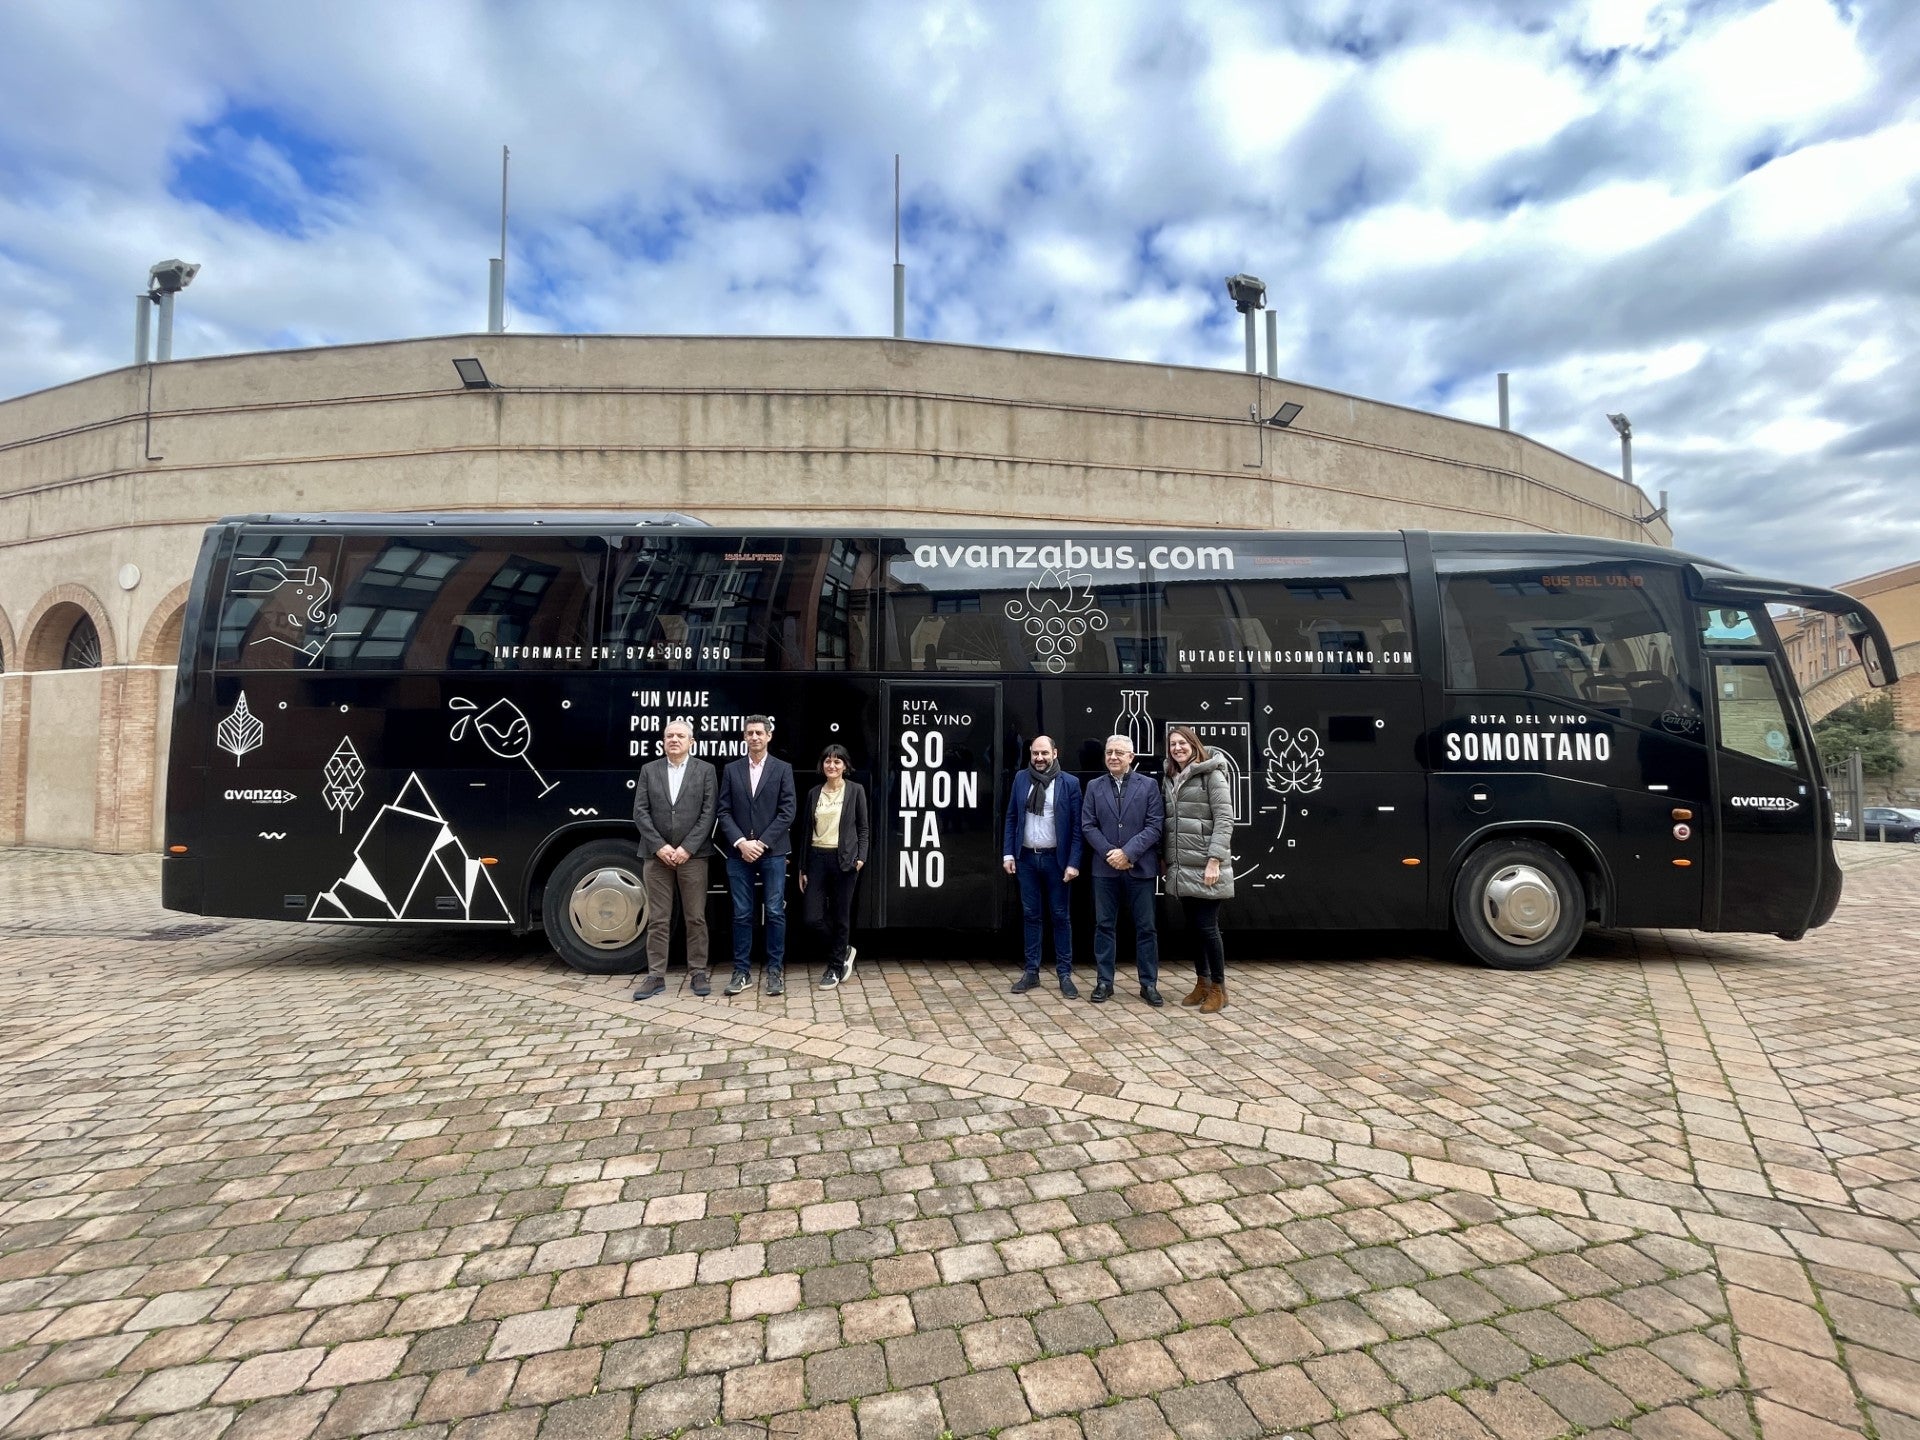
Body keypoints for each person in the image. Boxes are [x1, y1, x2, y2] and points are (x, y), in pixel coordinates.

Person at [630, 719, 719, 1000]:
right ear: (663, 741)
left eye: (681, 735)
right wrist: (660, 847)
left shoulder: (706, 770)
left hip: (693, 856)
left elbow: (709, 813)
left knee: (696, 917)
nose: (674, 740)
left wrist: (687, 848)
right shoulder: (649, 770)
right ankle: (655, 976)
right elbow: (640, 812)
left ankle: (698, 972)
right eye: (670, 736)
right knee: (658, 919)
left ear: (691, 742)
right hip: (656, 857)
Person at [1080, 733, 1164, 1006]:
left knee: (1146, 928)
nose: (1113, 757)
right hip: (1105, 869)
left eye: (1119, 752)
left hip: (1140, 868)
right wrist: (1110, 853)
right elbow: (1088, 825)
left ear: (1131, 757)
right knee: (1104, 926)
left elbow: (1155, 826)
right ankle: (1104, 982)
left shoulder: (1149, 785)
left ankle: (1148, 984)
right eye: (1109, 752)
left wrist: (1128, 853)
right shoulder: (1094, 786)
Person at [717, 715, 798, 996]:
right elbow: (723, 811)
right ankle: (741, 972)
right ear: (744, 736)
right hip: (738, 853)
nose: (754, 737)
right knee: (742, 914)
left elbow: (788, 811)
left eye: (759, 733)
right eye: (750, 733)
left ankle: (775, 971)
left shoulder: (782, 769)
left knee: (775, 911)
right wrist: (742, 842)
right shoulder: (731, 770)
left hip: (773, 852)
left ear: (769, 736)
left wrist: (761, 843)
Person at [1001, 734, 1082, 998]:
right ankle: (1031, 972)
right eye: (1035, 753)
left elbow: (1077, 828)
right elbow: (1012, 817)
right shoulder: (1021, 779)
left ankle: (1064, 975)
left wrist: (1073, 862)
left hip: (1056, 861)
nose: (1039, 758)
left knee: (1060, 916)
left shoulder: (1069, 783)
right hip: (1025, 859)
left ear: (1055, 754)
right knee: (1031, 916)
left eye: (1044, 753)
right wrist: (1008, 853)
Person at [1161, 725, 1235, 1013]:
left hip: (1206, 866)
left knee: (1207, 928)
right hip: (1182, 866)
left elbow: (1224, 819)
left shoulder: (1212, 775)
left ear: (1194, 745)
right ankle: (1202, 982)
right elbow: (1169, 823)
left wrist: (1214, 860)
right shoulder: (1171, 777)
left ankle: (1219, 988)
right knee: (1194, 929)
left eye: (1182, 743)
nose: (1177, 748)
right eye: (1173, 744)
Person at [798, 744, 870, 989]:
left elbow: (863, 828)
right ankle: (844, 949)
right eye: (828, 761)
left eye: (837, 761)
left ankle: (834, 967)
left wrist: (861, 857)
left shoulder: (856, 790)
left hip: (845, 860)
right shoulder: (814, 793)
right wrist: (802, 868)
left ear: (845, 766)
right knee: (812, 918)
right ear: (822, 764)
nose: (832, 765)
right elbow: (805, 831)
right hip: (817, 858)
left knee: (841, 916)